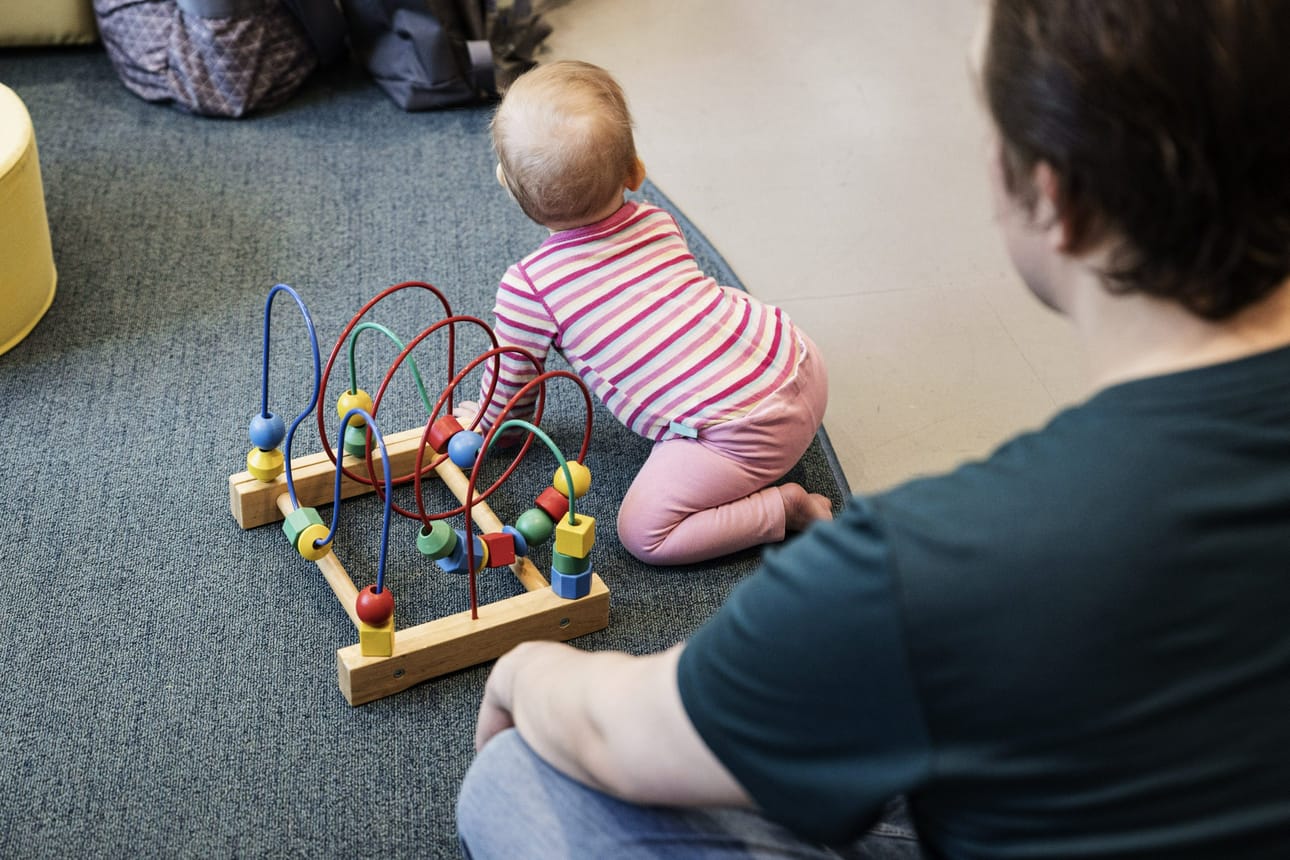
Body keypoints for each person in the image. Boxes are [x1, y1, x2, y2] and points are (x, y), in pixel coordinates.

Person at [457, 1, 1290, 857]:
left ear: (1054, 197)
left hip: (756, 468)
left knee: (515, 781)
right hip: (791, 363)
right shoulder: (655, 219)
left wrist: (528, 668)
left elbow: (621, 738)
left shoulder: (925, 565)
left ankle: (775, 525)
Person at [460, 59, 833, 566]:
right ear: (636, 171)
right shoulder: (658, 220)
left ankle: (784, 509)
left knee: (644, 533)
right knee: (700, 299)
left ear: (507, 185)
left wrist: (483, 428)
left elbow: (514, 392)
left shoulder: (529, 288)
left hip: (745, 437)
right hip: (801, 361)